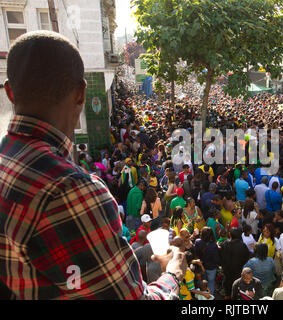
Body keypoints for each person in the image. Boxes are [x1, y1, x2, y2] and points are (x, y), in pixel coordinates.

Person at [0, 31, 186, 300]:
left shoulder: (9, 162)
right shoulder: (70, 190)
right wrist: (172, 274)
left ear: (9, 92)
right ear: (81, 93)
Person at [220, 228, 250, 300]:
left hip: (227, 271)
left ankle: (227, 296)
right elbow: (246, 257)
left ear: (230, 235)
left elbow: (220, 256)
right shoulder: (243, 246)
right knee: (236, 286)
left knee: (227, 285)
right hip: (237, 270)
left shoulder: (224, 244)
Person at [193, 227, 220, 295]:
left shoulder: (197, 242)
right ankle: (210, 297)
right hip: (211, 268)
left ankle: (203, 297)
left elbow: (195, 253)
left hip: (200, 267)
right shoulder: (214, 245)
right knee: (211, 283)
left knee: (202, 284)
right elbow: (216, 259)